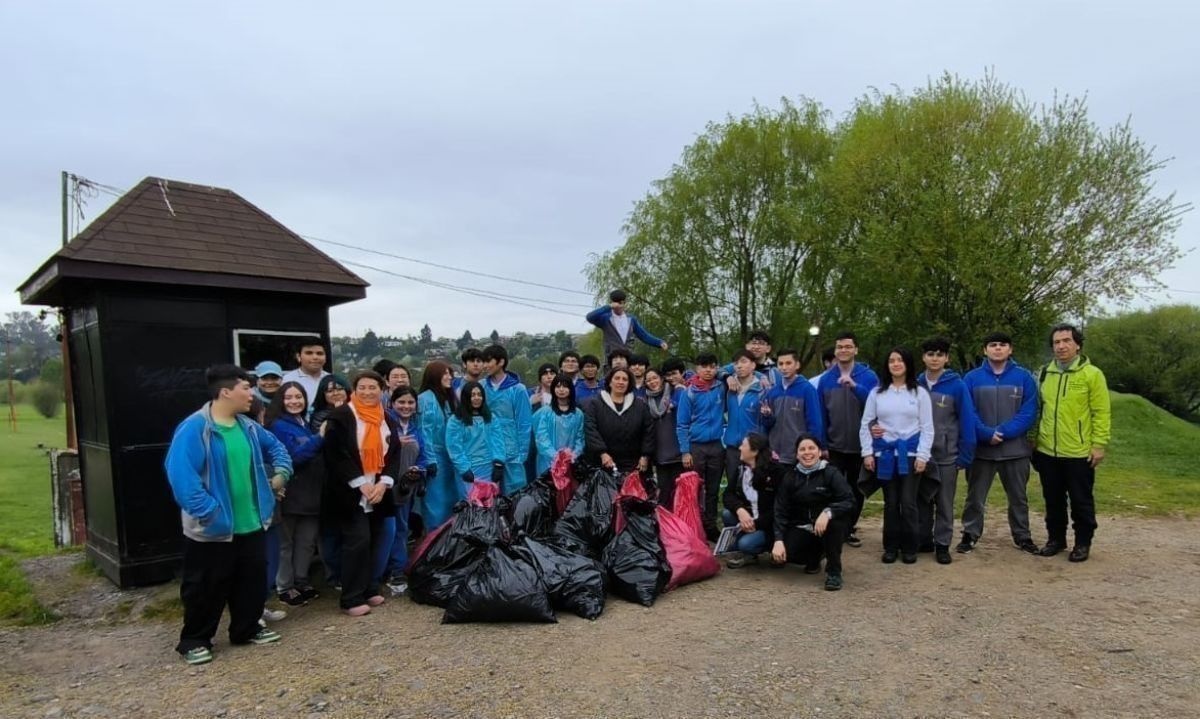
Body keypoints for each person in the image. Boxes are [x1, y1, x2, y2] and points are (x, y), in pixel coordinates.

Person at [164, 364, 292, 665]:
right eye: (246, 388)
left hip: (252, 522)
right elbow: (181, 476)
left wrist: (281, 476)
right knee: (205, 586)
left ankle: (246, 629)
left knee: (250, 581)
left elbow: (279, 451)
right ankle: (195, 639)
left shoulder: (248, 427)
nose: (251, 393)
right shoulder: (196, 428)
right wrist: (209, 512)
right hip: (213, 528)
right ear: (226, 392)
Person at [322, 370, 402, 617]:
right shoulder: (342, 416)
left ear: (382, 390)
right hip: (349, 492)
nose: (368, 392)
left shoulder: (386, 418)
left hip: (378, 491)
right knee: (357, 542)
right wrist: (360, 483)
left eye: (373, 388)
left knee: (376, 539)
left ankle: (369, 588)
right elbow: (336, 455)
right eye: (362, 388)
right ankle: (351, 596)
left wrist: (383, 483)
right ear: (354, 391)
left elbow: (394, 453)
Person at [1034, 324, 1111, 563]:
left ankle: (1082, 543)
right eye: (1056, 342)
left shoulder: (1092, 374)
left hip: (1078, 452)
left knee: (1081, 501)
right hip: (1047, 450)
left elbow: (1101, 412)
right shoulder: (1045, 373)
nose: (1061, 346)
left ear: (1077, 344)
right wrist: (1033, 440)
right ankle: (1056, 539)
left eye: (1066, 341)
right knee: (1053, 500)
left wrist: (1099, 444)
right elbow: (1038, 409)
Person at [960, 332, 1040, 555]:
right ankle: (970, 534)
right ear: (985, 350)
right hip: (982, 451)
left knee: (1018, 498)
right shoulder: (971, 378)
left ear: (1010, 349)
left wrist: (1003, 432)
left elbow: (1029, 411)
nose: (997, 348)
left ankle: (1023, 536)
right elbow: (968, 412)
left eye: (1002, 345)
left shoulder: (1024, 378)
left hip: (1015, 451)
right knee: (975, 497)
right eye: (992, 345)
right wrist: (986, 433)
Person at [859, 347, 934, 564]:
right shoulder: (878, 393)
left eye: (900, 360)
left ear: (908, 364)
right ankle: (890, 547)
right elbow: (866, 424)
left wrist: (923, 456)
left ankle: (910, 546)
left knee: (908, 502)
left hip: (910, 454)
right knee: (891, 503)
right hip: (885, 454)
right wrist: (867, 453)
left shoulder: (919, 393)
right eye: (892, 360)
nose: (896, 364)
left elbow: (927, 427)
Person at [816, 331, 879, 547]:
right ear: (835, 351)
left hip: (860, 445)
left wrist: (855, 387)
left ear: (856, 350)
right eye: (840, 347)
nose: (843, 350)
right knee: (832, 488)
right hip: (833, 446)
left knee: (855, 489)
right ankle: (834, 526)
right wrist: (822, 444)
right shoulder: (825, 379)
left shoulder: (869, 377)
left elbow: (876, 407)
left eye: (848, 347)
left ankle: (849, 528)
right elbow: (821, 414)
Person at [916, 337, 976, 565]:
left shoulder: (957, 386)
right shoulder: (916, 384)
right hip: (922, 455)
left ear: (946, 358)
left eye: (940, 354)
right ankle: (923, 539)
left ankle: (942, 544)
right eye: (930, 354)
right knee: (921, 499)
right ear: (923, 357)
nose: (934, 358)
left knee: (944, 502)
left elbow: (967, 420)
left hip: (946, 455)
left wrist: (965, 454)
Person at [265, 382, 325, 607]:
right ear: (281, 400)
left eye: (298, 397)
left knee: (307, 541)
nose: (294, 401)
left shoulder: (304, 423)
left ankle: (302, 579)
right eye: (289, 397)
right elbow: (293, 458)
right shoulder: (278, 426)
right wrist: (319, 437)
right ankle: (284, 586)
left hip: (312, 492)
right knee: (286, 542)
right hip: (290, 492)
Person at [771, 434, 854, 591]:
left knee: (835, 526)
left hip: (829, 524)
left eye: (811, 448)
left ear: (819, 452)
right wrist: (778, 540)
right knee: (786, 551)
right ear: (796, 454)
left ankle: (834, 572)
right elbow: (780, 509)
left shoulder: (831, 473)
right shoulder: (790, 477)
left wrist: (828, 512)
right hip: (803, 526)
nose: (807, 452)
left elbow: (849, 500)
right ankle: (814, 557)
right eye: (802, 449)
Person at [380, 386, 433, 595]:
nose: (406, 406)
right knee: (385, 530)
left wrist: (419, 469)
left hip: (405, 488)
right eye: (401, 402)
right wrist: (394, 443)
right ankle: (379, 570)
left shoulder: (415, 429)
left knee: (401, 528)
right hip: (383, 486)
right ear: (392, 403)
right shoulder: (383, 425)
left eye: (410, 402)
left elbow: (423, 457)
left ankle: (397, 570)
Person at [675, 353, 727, 541]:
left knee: (713, 490)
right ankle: (694, 526)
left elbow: (732, 368)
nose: (708, 370)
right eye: (704, 366)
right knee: (695, 489)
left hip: (716, 445)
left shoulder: (721, 387)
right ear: (697, 368)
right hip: (696, 447)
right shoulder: (689, 392)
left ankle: (711, 525)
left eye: (712, 366)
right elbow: (681, 424)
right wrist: (685, 451)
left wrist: (724, 375)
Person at [721, 432, 779, 568]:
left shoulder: (775, 472)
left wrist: (755, 524)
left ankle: (768, 547)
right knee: (727, 513)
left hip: (767, 524)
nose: (740, 448)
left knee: (744, 544)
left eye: (743, 445)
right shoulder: (741, 469)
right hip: (749, 517)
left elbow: (778, 508)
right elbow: (727, 495)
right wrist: (740, 510)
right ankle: (748, 553)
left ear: (755, 451)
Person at [582, 367, 654, 474]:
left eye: (625, 379)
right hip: (604, 462)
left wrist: (645, 455)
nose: (621, 382)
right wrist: (602, 453)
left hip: (634, 464)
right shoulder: (595, 404)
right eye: (617, 378)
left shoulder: (640, 405)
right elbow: (590, 429)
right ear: (610, 382)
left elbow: (648, 431)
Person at [482, 344, 532, 494]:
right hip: (487, 447)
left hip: (512, 449)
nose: (485, 366)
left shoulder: (518, 389)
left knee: (514, 494)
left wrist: (521, 454)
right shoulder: (481, 387)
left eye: (488, 361)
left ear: (501, 362)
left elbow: (524, 423)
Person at [760, 347, 824, 465]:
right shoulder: (773, 391)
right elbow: (767, 425)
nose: (784, 367)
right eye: (781, 364)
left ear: (797, 365)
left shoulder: (807, 389)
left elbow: (815, 423)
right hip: (775, 455)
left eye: (788, 363)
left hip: (798, 455)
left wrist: (813, 449)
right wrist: (767, 416)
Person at [416, 361, 460, 528]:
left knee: (451, 500)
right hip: (435, 458)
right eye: (445, 373)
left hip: (451, 458)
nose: (449, 377)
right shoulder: (425, 399)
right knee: (436, 503)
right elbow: (424, 431)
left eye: (451, 373)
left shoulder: (450, 399)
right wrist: (430, 460)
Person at [446, 381, 506, 485]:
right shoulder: (456, 420)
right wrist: (464, 469)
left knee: (491, 500)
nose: (477, 398)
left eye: (479, 394)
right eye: (473, 395)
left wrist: (498, 463)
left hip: (489, 468)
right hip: (468, 470)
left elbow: (498, 441)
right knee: (471, 500)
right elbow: (454, 447)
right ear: (466, 397)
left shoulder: (491, 418)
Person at [723, 350, 766, 493]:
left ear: (753, 365)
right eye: (736, 363)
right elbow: (716, 371)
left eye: (743, 362)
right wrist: (727, 377)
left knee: (754, 488)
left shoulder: (762, 388)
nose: (739, 366)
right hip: (732, 447)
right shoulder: (729, 388)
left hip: (753, 447)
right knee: (733, 488)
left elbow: (768, 420)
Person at [586, 289, 669, 360]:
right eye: (616, 303)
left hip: (628, 357)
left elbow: (644, 335)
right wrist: (608, 307)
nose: (619, 306)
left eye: (621, 303)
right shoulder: (605, 318)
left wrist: (659, 342)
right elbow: (590, 317)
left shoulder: (631, 319)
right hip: (612, 359)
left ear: (625, 303)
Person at [645, 366, 684, 510]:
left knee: (680, 494)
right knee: (664, 493)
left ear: (661, 379)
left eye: (655, 378)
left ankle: (682, 527)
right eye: (648, 380)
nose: (652, 382)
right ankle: (665, 525)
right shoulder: (645, 400)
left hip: (678, 452)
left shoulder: (675, 392)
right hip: (660, 454)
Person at [532, 375, 585, 475]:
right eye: (558, 386)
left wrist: (572, 456)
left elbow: (580, 439)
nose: (561, 390)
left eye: (565, 386)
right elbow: (542, 438)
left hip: (570, 463)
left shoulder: (578, 414)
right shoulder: (545, 412)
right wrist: (556, 456)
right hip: (547, 463)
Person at [281, 341, 330, 410]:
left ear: (325, 358)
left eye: (319, 353)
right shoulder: (287, 380)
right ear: (298, 357)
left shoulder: (332, 380)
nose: (315, 357)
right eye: (309, 353)